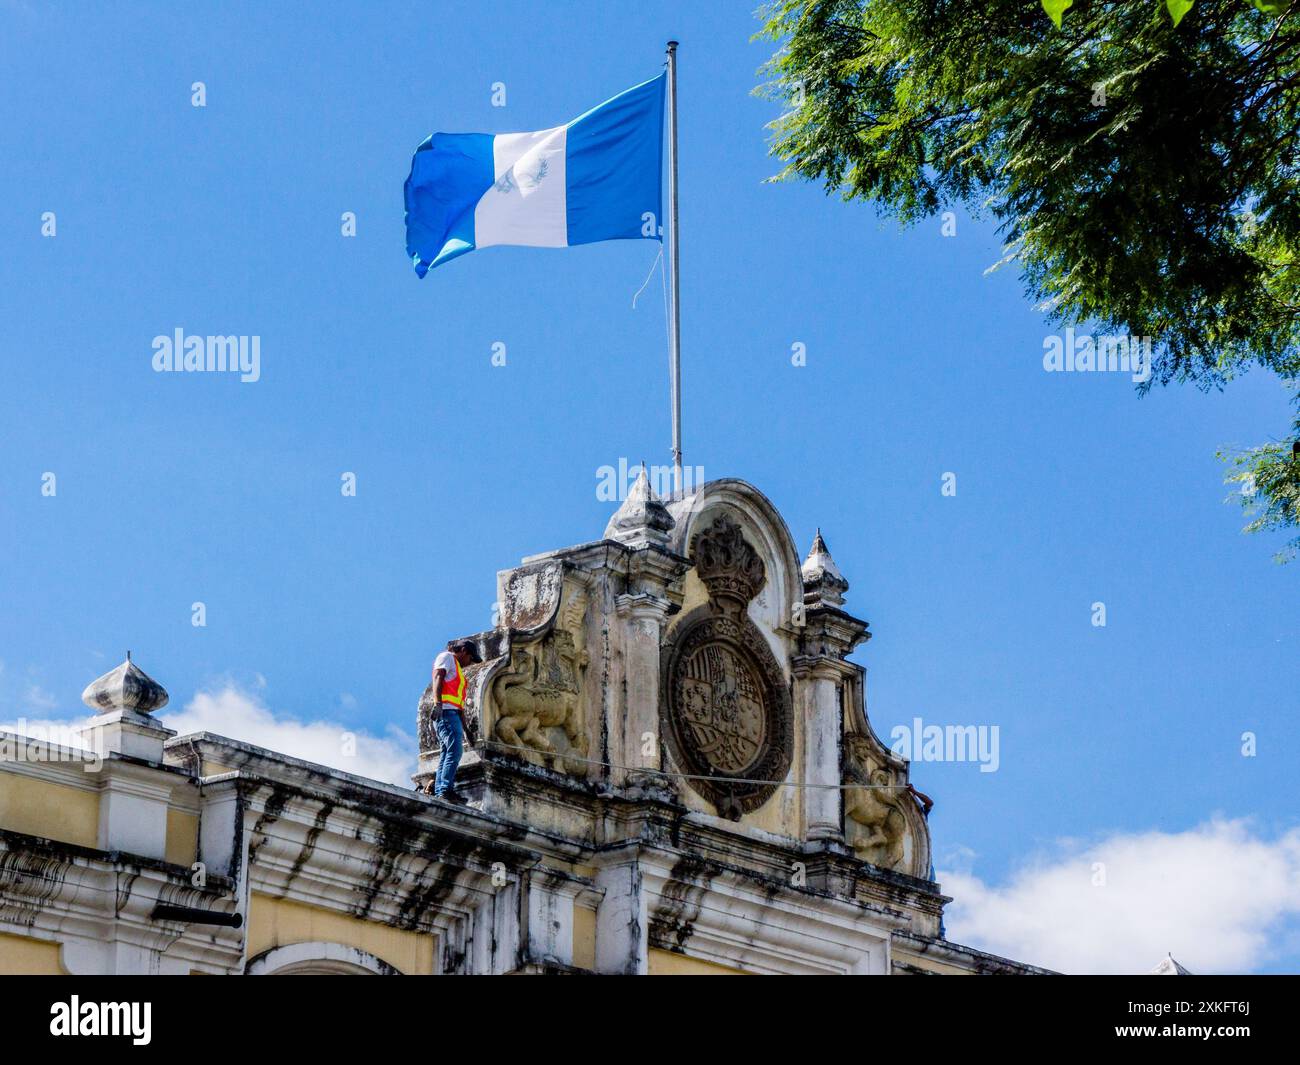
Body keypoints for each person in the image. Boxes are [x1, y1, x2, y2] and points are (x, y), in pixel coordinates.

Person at [429, 639, 481, 803]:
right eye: (471, 658)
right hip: (445, 713)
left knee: (448, 752)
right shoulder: (447, 657)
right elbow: (438, 676)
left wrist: (467, 732)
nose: (470, 663)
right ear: (464, 651)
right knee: (454, 751)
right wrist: (437, 704)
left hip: (452, 714)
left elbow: (459, 706)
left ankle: (441, 790)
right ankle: (445, 790)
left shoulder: (458, 671)